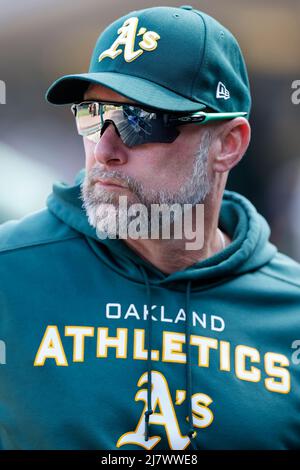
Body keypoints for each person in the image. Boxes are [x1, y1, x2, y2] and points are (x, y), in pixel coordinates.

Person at [0, 5, 300, 451]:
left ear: (228, 145)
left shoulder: (289, 314)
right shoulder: (10, 274)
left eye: (140, 120)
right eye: (92, 113)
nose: (104, 149)